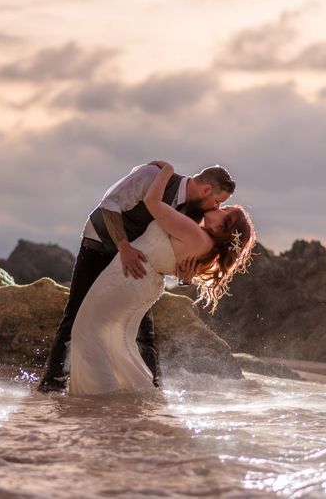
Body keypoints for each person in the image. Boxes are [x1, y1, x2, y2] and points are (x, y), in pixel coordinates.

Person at [35, 162, 236, 393]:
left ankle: (150, 388)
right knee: (75, 314)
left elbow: (176, 253)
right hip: (101, 245)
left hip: (139, 268)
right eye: (218, 201)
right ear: (206, 189)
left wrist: (185, 279)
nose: (216, 207)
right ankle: (52, 384)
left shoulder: (196, 213)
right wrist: (124, 247)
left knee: (142, 330)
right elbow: (109, 205)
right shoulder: (152, 175)